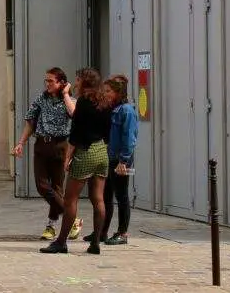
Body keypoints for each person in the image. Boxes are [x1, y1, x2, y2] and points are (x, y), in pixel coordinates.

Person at [41, 68, 111, 255]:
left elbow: (76, 134)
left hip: (85, 151)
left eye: (78, 79)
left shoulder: (83, 103)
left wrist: (68, 157)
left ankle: (61, 241)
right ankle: (96, 241)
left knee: (70, 199)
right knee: (98, 199)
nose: (76, 83)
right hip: (101, 151)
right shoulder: (105, 102)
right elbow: (107, 131)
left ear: (85, 81)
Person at [13, 67, 79, 241]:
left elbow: (74, 114)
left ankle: (51, 226)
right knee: (42, 186)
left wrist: (65, 94)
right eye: (46, 80)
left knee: (58, 187)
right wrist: (21, 142)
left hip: (60, 145)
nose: (47, 84)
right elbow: (30, 122)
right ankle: (72, 218)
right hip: (42, 144)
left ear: (61, 83)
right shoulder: (41, 99)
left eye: (51, 81)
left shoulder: (70, 100)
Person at [87, 75, 138, 245]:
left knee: (122, 195)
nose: (105, 94)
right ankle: (101, 231)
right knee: (105, 195)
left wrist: (123, 161)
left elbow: (129, 138)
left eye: (108, 91)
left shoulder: (126, 110)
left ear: (118, 92)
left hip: (121, 160)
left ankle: (122, 233)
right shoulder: (112, 110)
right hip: (109, 157)